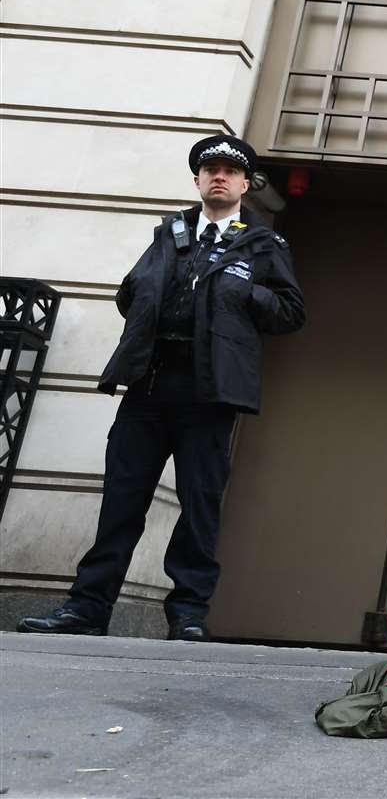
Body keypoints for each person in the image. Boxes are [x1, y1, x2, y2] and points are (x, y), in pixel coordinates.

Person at [17, 136, 305, 641]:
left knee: (199, 505)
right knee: (121, 503)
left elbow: (290, 312)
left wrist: (245, 293)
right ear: (197, 180)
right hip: (149, 385)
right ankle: (87, 609)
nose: (219, 176)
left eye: (229, 171)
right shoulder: (168, 234)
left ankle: (188, 614)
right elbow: (131, 293)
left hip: (209, 392)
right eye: (209, 169)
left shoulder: (263, 244)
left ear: (244, 184)